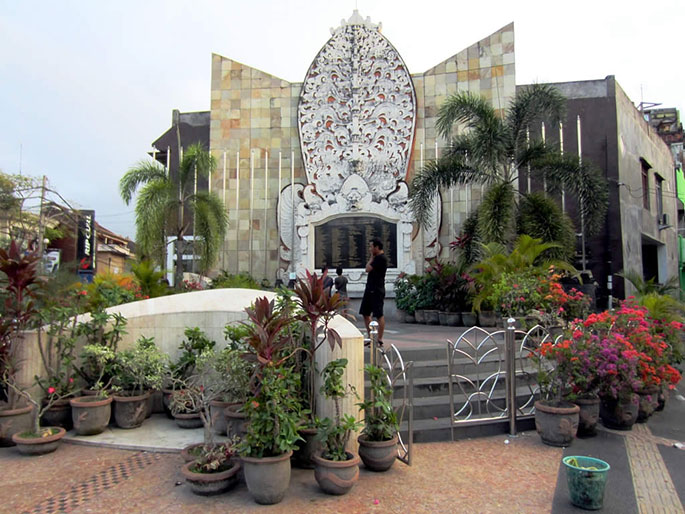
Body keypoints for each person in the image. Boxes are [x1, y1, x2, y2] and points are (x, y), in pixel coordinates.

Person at [359, 238, 388, 346]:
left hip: (377, 290)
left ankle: (379, 339)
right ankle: (371, 336)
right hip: (370, 289)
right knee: (365, 313)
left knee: (378, 314)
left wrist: (372, 257)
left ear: (376, 247)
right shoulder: (376, 258)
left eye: (371, 247)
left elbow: (367, 268)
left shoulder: (381, 258)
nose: (370, 249)